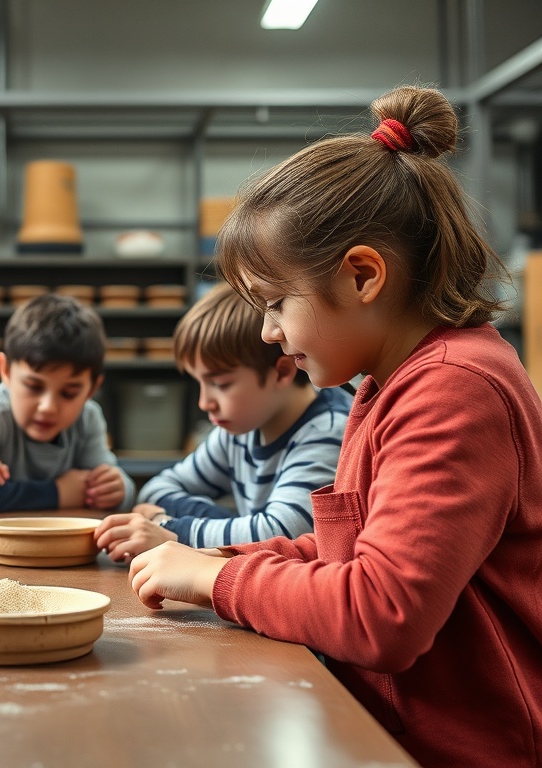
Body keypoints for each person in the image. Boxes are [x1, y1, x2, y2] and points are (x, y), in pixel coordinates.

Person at [127, 85, 542, 768]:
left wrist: (212, 582)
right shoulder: (385, 384)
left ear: (361, 276)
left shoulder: (454, 389)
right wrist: (216, 563)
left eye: (275, 303)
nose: (267, 331)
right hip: (387, 731)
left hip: (462, 751)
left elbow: (383, 615)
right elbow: (339, 551)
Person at [95, 282, 350, 561]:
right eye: (199, 382)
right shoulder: (238, 429)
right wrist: (230, 523)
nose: (205, 403)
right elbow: (157, 490)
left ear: (281, 372)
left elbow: (284, 532)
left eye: (220, 384)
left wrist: (173, 531)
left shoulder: (328, 433)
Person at [0, 293, 135, 511]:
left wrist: (119, 489)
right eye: (34, 387)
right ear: (5, 370)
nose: (47, 407)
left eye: (69, 393)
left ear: (92, 389)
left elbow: (118, 486)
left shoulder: (88, 417)